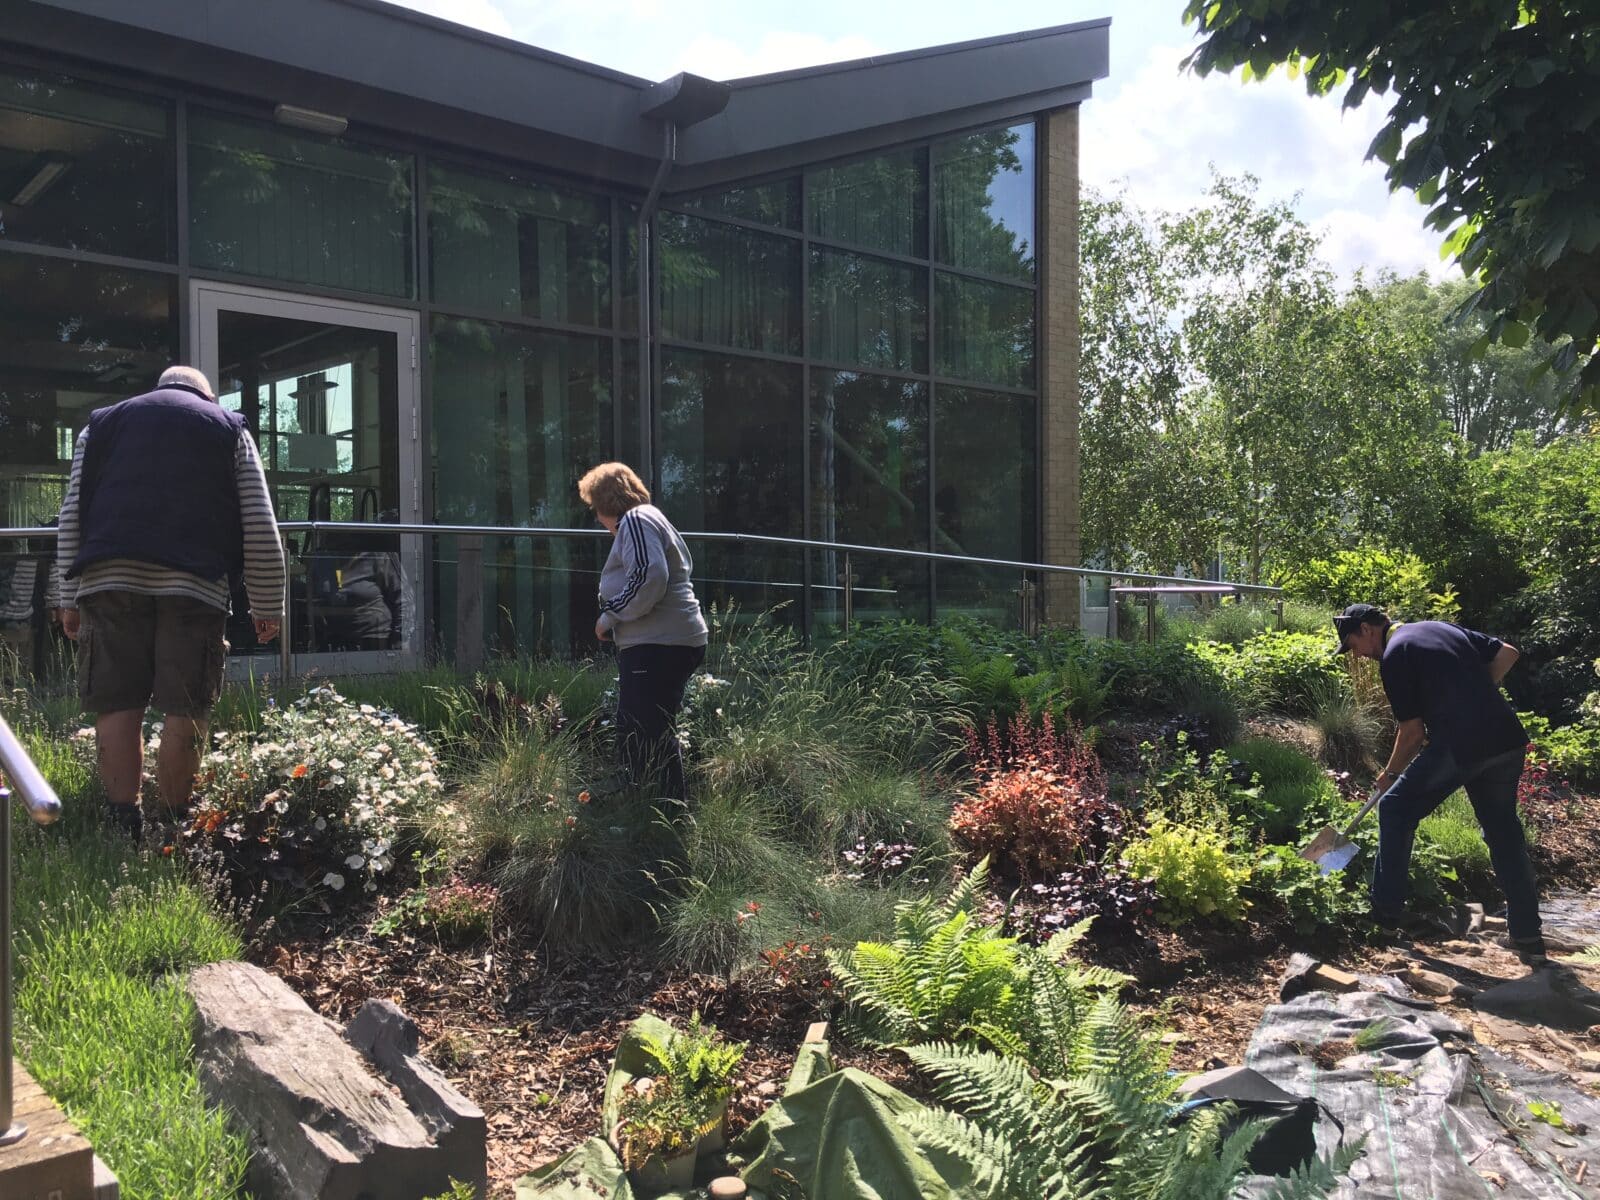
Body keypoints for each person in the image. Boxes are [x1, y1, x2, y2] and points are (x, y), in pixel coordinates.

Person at [55, 366, 285, 839]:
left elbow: (72, 513)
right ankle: (174, 824)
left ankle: (124, 824)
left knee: (117, 702)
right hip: (193, 583)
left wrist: (67, 595)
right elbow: (259, 521)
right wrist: (267, 602)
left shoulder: (100, 425)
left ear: (159, 389)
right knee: (185, 706)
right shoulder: (227, 426)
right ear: (205, 394)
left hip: (109, 577)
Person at [1335, 602, 1543, 961]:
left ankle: (1383, 919)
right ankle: (1528, 937)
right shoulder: (1439, 628)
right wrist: (1474, 695)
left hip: (1464, 745)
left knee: (1396, 808)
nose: (1356, 653)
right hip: (1506, 740)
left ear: (1367, 629)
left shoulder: (1395, 655)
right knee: (1503, 831)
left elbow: (1412, 733)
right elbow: (1508, 653)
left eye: (1353, 643)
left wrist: (1390, 774)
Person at [578, 462, 708, 804]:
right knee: (645, 726)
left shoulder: (635, 521)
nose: (596, 518)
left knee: (643, 729)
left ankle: (660, 812)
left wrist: (609, 616)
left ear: (607, 503)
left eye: (595, 508)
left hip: (658, 643)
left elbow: (649, 577)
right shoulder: (648, 519)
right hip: (667, 641)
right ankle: (655, 807)